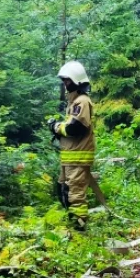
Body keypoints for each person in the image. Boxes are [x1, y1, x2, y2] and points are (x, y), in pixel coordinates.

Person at [48, 61, 95, 231]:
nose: (65, 84)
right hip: (70, 158)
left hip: (78, 158)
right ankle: (72, 225)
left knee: (75, 195)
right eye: (64, 80)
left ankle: (79, 229)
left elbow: (75, 128)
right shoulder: (74, 102)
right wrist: (58, 128)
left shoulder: (82, 102)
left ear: (77, 80)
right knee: (63, 190)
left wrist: (56, 127)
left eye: (68, 80)